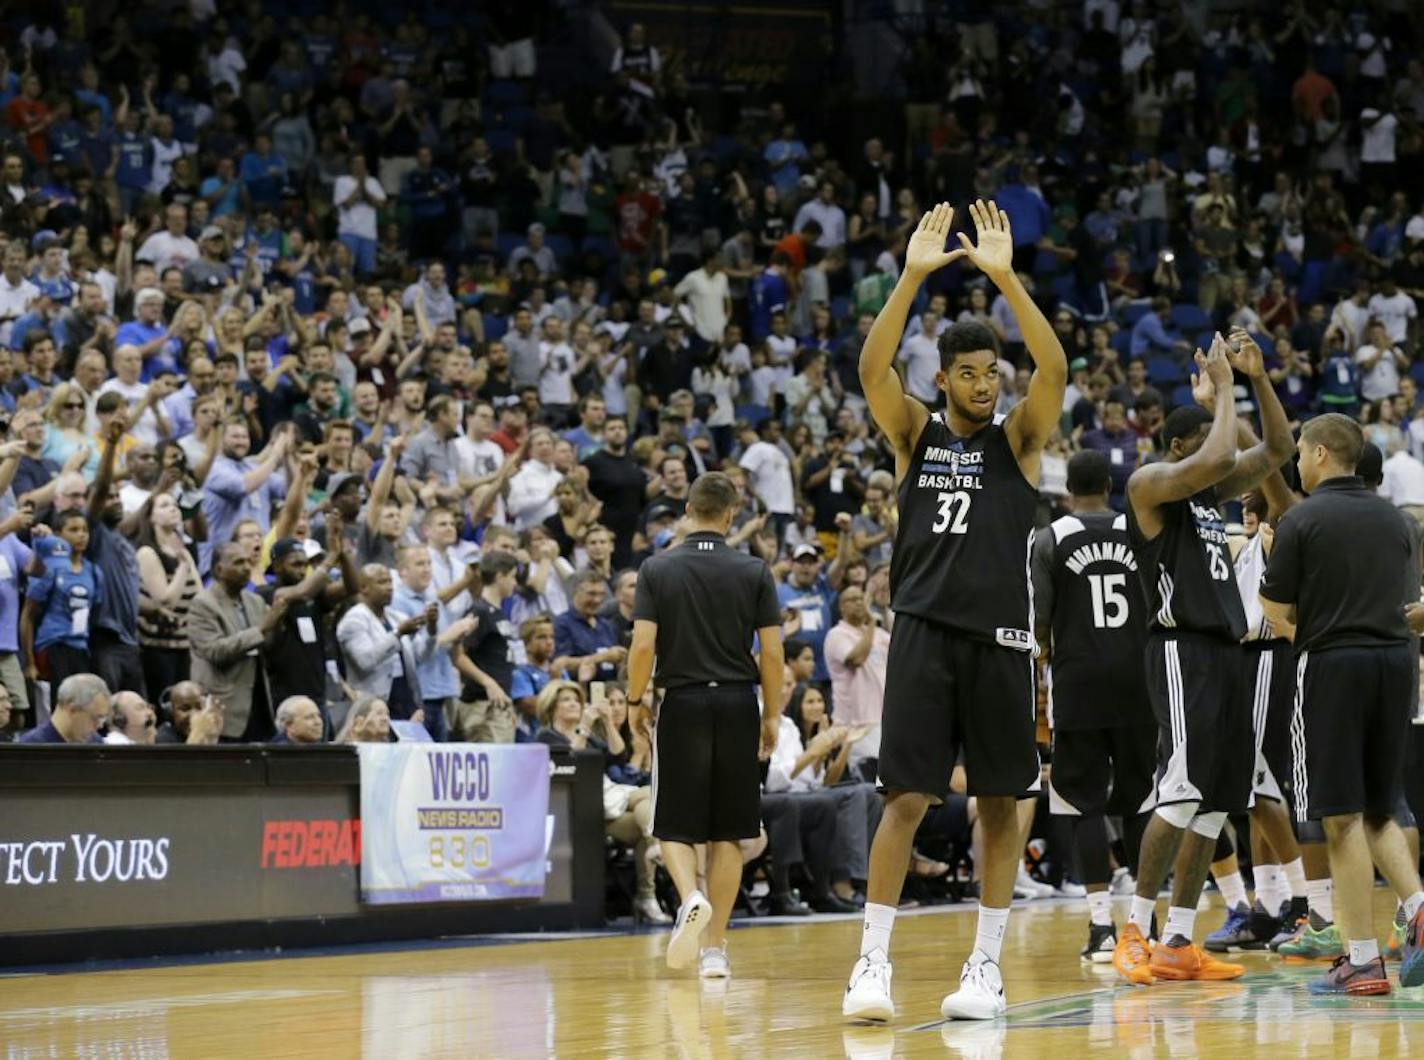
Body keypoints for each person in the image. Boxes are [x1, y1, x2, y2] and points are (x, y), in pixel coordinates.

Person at [841, 201, 1067, 1024]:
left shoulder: (1020, 440)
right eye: (968, 374)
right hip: (926, 634)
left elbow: (1056, 370)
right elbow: (872, 373)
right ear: (943, 379)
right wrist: (908, 278)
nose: (982, 385)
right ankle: (872, 965)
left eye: (990, 375)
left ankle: (986, 965)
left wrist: (1007, 280)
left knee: (1000, 804)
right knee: (905, 799)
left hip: (1003, 639)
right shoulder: (915, 436)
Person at [1112, 330, 1295, 986]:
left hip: (1228, 653)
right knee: (1180, 787)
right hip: (1180, 649)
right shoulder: (1149, 486)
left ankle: (1179, 941)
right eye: (1204, 446)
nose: (1218, 460)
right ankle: (1131, 929)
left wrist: (1255, 380)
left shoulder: (1208, 499)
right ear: (1177, 448)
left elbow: (1274, 451)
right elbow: (1222, 455)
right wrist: (1220, 390)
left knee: (1216, 803)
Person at [1260, 413, 1424, 995]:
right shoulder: (1397, 521)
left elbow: (1275, 613)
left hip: (1332, 666)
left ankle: (1359, 959)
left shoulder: (1302, 519)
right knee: (1381, 806)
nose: (1297, 462)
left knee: (1338, 815)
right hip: (1396, 664)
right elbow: (1411, 603)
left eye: (1301, 452)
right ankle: (1419, 909)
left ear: (1323, 454)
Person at [627, 471, 784, 980]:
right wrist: (772, 713)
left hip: (684, 702)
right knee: (729, 835)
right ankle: (715, 952)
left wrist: (634, 701)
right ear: (731, 515)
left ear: (687, 511)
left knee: (671, 822)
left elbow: (644, 645)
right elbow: (773, 652)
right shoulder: (754, 569)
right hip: (739, 702)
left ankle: (690, 896)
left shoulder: (657, 568)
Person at [1031, 450, 1155, 964]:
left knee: (1080, 803)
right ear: (1109, 484)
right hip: (1138, 679)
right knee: (1141, 802)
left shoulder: (1051, 537)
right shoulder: (1138, 529)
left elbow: (1039, 622)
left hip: (1079, 680)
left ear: (1066, 493)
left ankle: (1102, 926)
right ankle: (1143, 926)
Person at [188, 543, 287, 741]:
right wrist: (262, 629)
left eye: (249, 562)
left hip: (258, 703)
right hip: (224, 707)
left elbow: (267, 648)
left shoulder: (255, 601)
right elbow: (215, 651)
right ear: (218, 570)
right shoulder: (203, 604)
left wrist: (277, 626)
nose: (247, 567)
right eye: (238, 562)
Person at [16, 672, 109, 743]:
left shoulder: (95, 743)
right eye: (96, 718)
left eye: (102, 719)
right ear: (72, 710)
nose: (99, 726)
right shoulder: (31, 747)